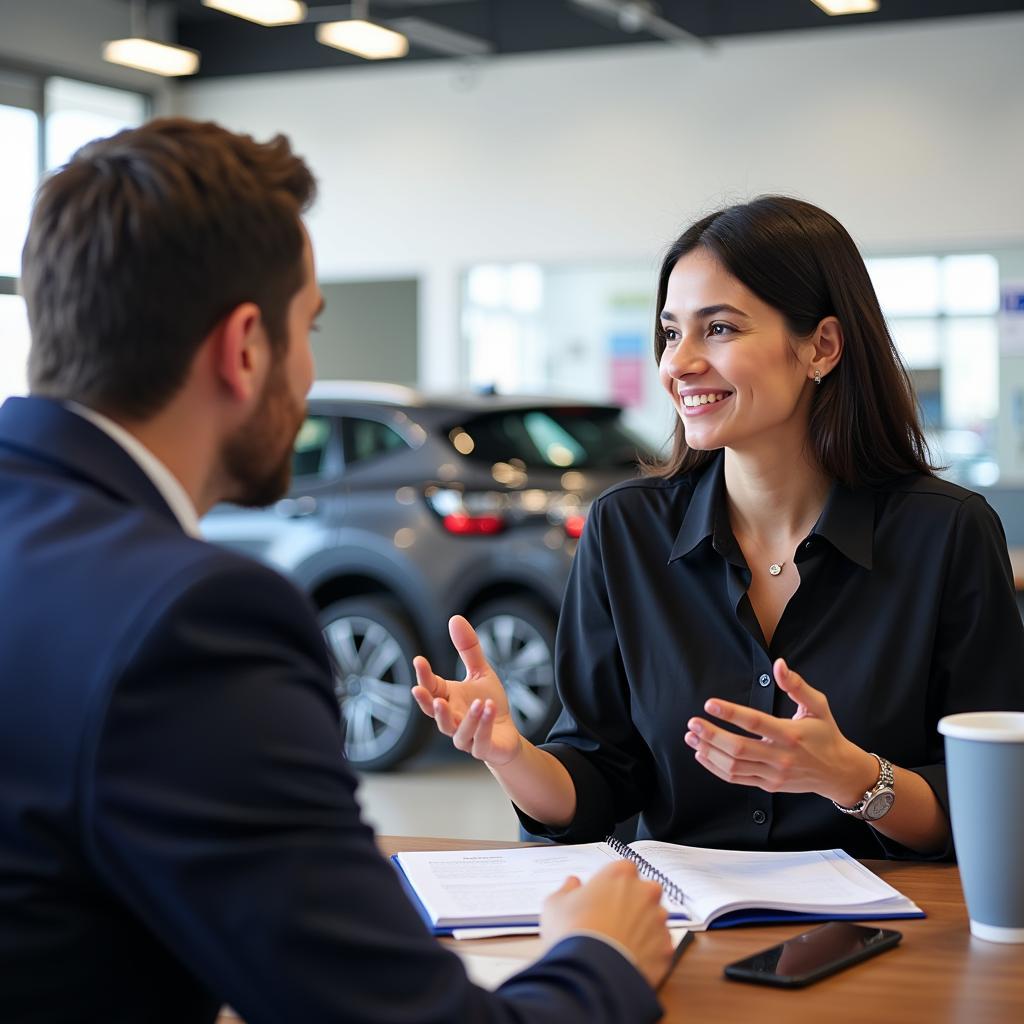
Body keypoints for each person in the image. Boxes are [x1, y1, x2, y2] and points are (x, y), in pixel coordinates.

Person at [0, 118, 673, 1024]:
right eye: (307, 327)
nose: (311, 368)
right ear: (244, 347)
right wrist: (600, 958)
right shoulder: (191, 621)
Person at [413, 195, 1024, 861]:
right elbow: (599, 781)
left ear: (821, 346)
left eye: (721, 329)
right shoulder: (626, 531)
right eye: (672, 332)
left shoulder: (947, 535)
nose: (679, 364)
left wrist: (853, 777)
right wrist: (511, 754)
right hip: (687, 938)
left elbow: (991, 807)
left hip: (889, 938)